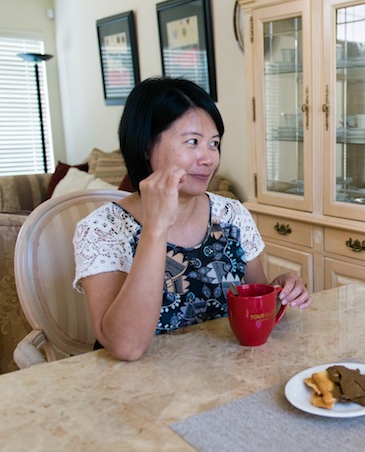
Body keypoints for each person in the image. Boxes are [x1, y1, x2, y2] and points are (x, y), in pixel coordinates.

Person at [73, 77, 312, 361]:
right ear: (146, 146)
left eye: (214, 144)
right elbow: (126, 346)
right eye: (192, 142)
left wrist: (280, 290)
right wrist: (156, 227)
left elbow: (255, 300)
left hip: (222, 372)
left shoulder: (231, 215)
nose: (208, 158)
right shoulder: (102, 229)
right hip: (138, 383)